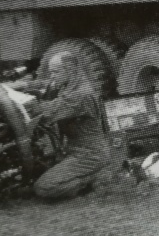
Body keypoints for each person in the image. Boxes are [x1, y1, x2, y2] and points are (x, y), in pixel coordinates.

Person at [25, 51, 110, 200]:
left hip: (89, 155)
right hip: (75, 150)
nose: (52, 76)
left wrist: (24, 103)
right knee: (36, 173)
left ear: (70, 69)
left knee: (43, 188)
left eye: (55, 72)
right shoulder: (71, 84)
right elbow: (47, 84)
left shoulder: (80, 94)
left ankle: (93, 179)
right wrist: (23, 85)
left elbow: (46, 113)